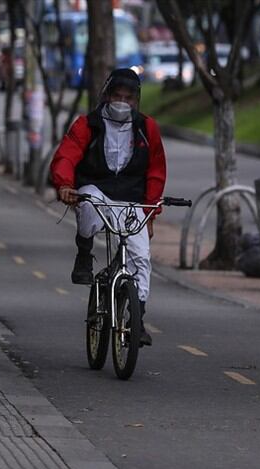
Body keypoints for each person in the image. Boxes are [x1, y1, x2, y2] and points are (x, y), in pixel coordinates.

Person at [50, 68, 166, 347]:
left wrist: (151, 211)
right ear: (106, 95)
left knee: (141, 257)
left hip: (132, 198)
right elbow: (66, 156)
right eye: (117, 96)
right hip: (96, 189)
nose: (122, 102)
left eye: (129, 98)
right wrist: (65, 185)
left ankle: (138, 317)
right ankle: (84, 250)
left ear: (137, 100)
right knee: (88, 204)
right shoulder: (86, 125)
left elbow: (155, 171)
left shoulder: (147, 128)